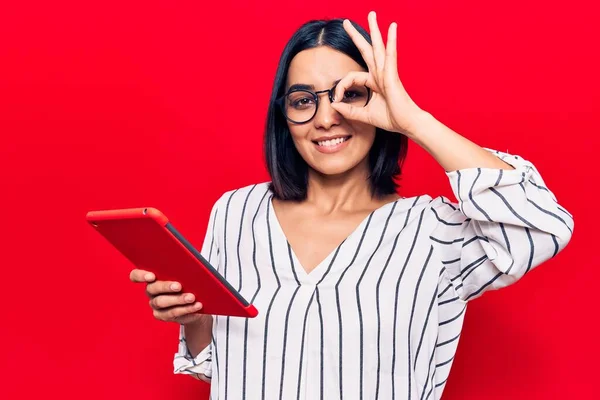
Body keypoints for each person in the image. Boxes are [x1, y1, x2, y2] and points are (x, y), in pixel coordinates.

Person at [130, 11, 573, 400]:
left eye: (348, 94)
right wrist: (194, 318)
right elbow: (220, 365)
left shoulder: (434, 231)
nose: (325, 118)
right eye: (303, 100)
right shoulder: (235, 213)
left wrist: (412, 120)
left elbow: (542, 227)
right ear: (283, 116)